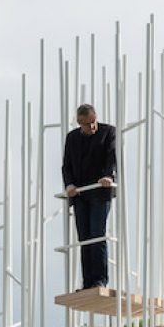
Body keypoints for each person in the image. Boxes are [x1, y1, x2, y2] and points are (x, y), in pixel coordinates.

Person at [61, 103, 117, 290]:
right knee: (84, 237)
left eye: (94, 122)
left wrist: (108, 176)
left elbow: (112, 156)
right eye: (87, 124)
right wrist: (69, 185)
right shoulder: (72, 138)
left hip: (100, 192)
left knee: (97, 234)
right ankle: (88, 282)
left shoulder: (108, 132)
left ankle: (100, 280)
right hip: (80, 194)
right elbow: (66, 165)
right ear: (79, 123)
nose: (92, 127)